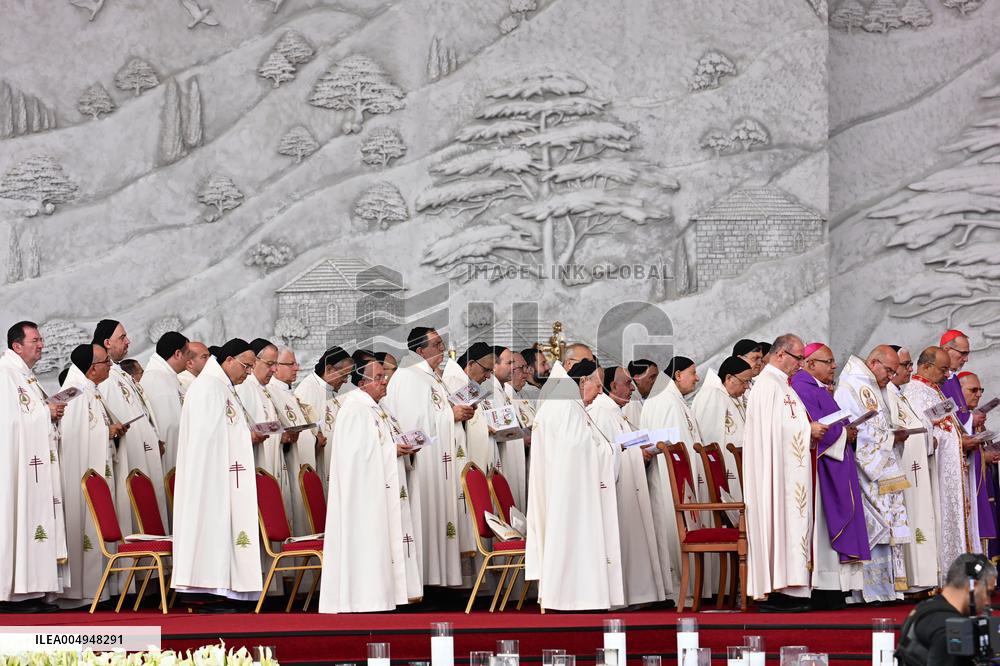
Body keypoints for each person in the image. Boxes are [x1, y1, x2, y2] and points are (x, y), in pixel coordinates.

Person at [319, 358, 422, 612]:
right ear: (362, 382)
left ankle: (390, 595)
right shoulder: (355, 408)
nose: (384, 380)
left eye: (384, 375)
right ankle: (366, 598)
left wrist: (403, 446)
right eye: (378, 377)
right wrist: (391, 450)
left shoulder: (378, 408)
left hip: (382, 488)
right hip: (363, 496)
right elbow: (355, 456)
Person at [172, 339, 264, 610]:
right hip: (210, 477)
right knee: (213, 526)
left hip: (223, 473)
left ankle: (227, 588)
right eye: (246, 366)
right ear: (229, 360)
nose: (248, 373)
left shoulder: (222, 386)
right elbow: (206, 438)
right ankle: (210, 588)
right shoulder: (208, 388)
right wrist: (244, 436)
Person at [526, 358, 624, 610]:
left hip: (565, 487)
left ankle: (575, 594)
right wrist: (613, 450)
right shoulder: (566, 406)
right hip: (569, 492)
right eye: (599, 385)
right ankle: (574, 596)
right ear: (583, 381)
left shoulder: (567, 402)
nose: (601, 392)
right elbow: (577, 450)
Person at [385, 327, 471, 588]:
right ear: (420, 350)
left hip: (440, 463)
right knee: (425, 517)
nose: (442, 349)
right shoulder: (407, 377)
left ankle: (441, 580)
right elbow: (414, 425)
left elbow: (438, 411)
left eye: (442, 343)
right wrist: (450, 415)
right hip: (424, 465)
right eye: (436, 345)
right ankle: (425, 582)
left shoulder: (433, 378)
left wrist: (462, 413)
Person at [743, 334, 823, 612]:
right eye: (798, 358)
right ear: (780, 355)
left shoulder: (782, 385)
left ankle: (793, 587)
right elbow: (771, 433)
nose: (801, 364)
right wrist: (807, 430)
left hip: (789, 471)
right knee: (781, 522)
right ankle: (779, 590)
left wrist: (807, 429)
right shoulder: (767, 385)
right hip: (776, 476)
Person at [789, 343, 866, 601]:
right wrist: (846, 433)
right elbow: (814, 428)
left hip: (834, 464)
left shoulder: (817, 388)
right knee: (823, 529)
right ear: (810, 364)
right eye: (829, 362)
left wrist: (847, 431)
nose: (834, 366)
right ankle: (825, 587)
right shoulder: (802, 387)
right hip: (820, 471)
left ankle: (835, 588)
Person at [835, 346, 912, 600]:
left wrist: (892, 434)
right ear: (874, 362)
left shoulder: (872, 385)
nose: (890, 376)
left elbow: (878, 426)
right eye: (888, 370)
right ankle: (865, 592)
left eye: (893, 371)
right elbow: (855, 430)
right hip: (863, 471)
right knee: (873, 529)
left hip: (881, 468)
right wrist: (890, 437)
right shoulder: (850, 385)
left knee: (886, 527)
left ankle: (885, 591)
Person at [588, 365, 668, 607]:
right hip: (616, 490)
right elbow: (602, 455)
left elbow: (625, 445)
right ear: (613, 386)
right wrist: (636, 454)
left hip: (630, 487)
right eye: (627, 384)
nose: (633, 388)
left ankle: (639, 594)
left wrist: (642, 450)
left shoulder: (616, 413)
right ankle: (626, 596)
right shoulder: (601, 413)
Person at [0, 322, 66, 612]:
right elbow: (8, 423)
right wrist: (44, 412)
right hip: (15, 470)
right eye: (35, 340)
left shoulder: (26, 377)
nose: (41, 345)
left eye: (41, 340)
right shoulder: (5, 375)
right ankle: (13, 594)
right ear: (17, 346)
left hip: (34, 468)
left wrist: (50, 413)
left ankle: (34, 589)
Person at [57, 343, 127, 609]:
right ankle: (78, 594)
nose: (110, 366)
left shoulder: (92, 391)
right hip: (81, 475)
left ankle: (97, 590)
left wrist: (112, 431)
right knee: (83, 528)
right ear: (91, 368)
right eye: (105, 362)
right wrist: (106, 433)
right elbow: (73, 438)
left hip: (97, 469)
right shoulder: (73, 393)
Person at [641, 355, 716, 601]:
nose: (697, 378)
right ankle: (679, 590)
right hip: (668, 480)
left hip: (684, 479)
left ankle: (693, 588)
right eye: (693, 373)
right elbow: (666, 445)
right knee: (672, 529)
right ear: (678, 374)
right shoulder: (664, 401)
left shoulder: (676, 400)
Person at [905, 347, 979, 576]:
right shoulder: (914, 392)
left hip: (951, 469)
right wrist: (955, 442)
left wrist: (960, 439)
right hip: (934, 472)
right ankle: (941, 574)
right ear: (926, 367)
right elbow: (920, 434)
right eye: (943, 369)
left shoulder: (934, 390)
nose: (948, 375)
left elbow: (945, 426)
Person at [93, 319, 167, 530]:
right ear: (107, 342)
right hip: (130, 458)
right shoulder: (106, 377)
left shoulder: (119, 374)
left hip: (144, 454)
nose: (128, 341)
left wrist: (153, 438)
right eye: (122, 337)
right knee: (136, 521)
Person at [886, 346, 940, 591]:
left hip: (914, 466)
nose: (910, 369)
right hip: (900, 469)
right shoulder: (887, 394)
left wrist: (929, 437)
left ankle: (920, 577)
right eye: (905, 365)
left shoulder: (900, 394)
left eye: (910, 364)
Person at [939, 330, 995, 549]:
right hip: (948, 462)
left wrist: (972, 420)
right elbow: (941, 419)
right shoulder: (941, 382)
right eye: (962, 353)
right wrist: (971, 419)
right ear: (946, 350)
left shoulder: (951, 380)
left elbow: (956, 416)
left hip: (962, 458)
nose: (966, 359)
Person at [899, 553, 996, 666]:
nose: (988, 602)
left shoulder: (923, 608)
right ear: (972, 586)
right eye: (988, 593)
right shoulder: (951, 629)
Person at [691, 356, 753, 501]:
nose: (747, 386)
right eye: (744, 381)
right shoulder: (711, 395)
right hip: (722, 473)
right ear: (729, 377)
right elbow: (708, 442)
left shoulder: (729, 396)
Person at [266, 346, 313, 536]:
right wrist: (283, 437)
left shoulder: (289, 394)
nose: (296, 368)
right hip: (285, 462)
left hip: (297, 462)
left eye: (296, 363)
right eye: (291, 364)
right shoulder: (270, 392)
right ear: (275, 367)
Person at [297, 346, 353, 492]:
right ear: (329, 369)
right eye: (344, 375)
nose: (346, 381)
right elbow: (303, 435)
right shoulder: (308, 389)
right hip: (321, 466)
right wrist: (316, 441)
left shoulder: (330, 390)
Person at [959, 371, 1000, 556]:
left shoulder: (972, 417)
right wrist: (984, 457)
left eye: (980, 390)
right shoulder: (957, 418)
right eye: (973, 390)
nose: (979, 394)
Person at [141, 331, 188, 488]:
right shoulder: (157, 379)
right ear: (177, 354)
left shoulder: (168, 376)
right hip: (171, 457)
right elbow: (169, 427)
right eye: (187, 354)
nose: (189, 359)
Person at [491, 347, 528, 509]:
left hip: (515, 450)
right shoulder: (490, 390)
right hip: (502, 455)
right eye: (509, 362)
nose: (513, 367)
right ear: (494, 366)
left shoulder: (504, 390)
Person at [623, 359, 657, 426]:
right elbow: (637, 433)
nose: (656, 381)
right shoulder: (631, 401)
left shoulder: (639, 398)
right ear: (637, 379)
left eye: (657, 377)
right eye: (652, 377)